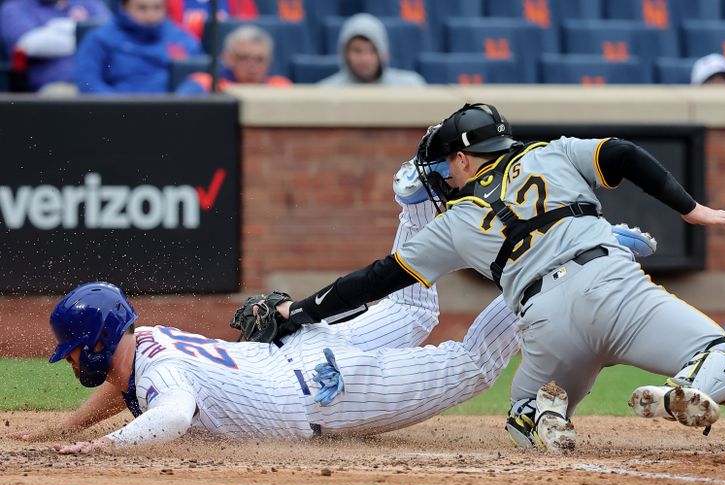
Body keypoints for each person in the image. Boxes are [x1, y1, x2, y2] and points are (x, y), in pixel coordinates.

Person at [12, 159, 651, 452]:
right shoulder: (147, 342)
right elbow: (128, 387)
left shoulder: (155, 376)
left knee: (473, 366)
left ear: (97, 343)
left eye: (76, 354)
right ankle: (415, 200)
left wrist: (97, 451)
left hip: (326, 392)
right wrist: (63, 428)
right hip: (305, 355)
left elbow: (170, 413)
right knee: (419, 309)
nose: (76, 365)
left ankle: (561, 265)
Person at [273, 103, 725, 452]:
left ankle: (543, 412)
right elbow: (622, 153)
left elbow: (376, 279)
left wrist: (297, 311)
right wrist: (691, 209)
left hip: (546, 321)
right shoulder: (551, 153)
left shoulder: (455, 220)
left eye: (446, 166)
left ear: (464, 158)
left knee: (525, 412)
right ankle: (688, 384)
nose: (444, 177)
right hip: (612, 285)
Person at [74, 0, 202, 94]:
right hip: (116, 116)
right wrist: (118, 107)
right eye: (142, 8)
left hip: (171, 115)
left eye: (157, 8)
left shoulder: (181, 38)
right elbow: (88, 82)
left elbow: (201, 75)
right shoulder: (100, 38)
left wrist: (182, 100)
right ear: (124, 7)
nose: (150, 15)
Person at [0, 0, 111, 92]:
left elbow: (111, 36)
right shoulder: (15, 7)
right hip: (60, 85)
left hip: (105, 81)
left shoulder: (89, 3)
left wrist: (54, 30)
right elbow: (28, 44)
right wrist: (84, 30)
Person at [176, 25, 291, 94]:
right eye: (244, 57)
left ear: (269, 62)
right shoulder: (206, 84)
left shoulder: (280, 87)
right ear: (228, 58)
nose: (252, 65)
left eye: (259, 59)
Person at [318, 13, 426, 87]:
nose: (364, 59)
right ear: (345, 53)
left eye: (372, 50)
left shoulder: (412, 86)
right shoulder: (324, 94)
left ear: (384, 54)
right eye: (357, 51)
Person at [166, 0, 258, 40]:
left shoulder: (240, 2)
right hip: (190, 55)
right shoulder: (170, 2)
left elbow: (250, 32)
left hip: (229, 57)